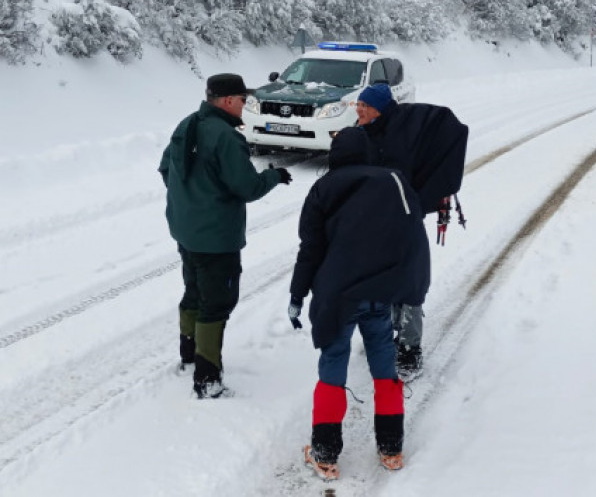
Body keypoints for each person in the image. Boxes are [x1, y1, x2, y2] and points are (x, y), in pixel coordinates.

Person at [288, 128, 430, 480]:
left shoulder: (324, 188)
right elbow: (411, 232)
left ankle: (324, 453)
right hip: (379, 290)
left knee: (334, 360)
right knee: (384, 361)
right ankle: (392, 448)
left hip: (338, 292)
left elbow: (311, 248)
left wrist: (297, 294)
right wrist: (408, 283)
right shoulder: (393, 181)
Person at [158, 73, 292, 399]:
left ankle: (189, 355)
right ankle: (207, 380)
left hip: (186, 230)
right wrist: (274, 176)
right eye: (243, 101)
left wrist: (190, 201)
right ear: (229, 100)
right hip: (216, 238)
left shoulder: (186, 125)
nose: (245, 107)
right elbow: (246, 187)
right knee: (217, 301)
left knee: (193, 290)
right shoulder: (226, 137)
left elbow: (166, 169)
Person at [354, 83, 468, 379]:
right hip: (375, 220)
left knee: (408, 281)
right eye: (358, 105)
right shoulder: (368, 132)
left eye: (364, 106)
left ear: (379, 109)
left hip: (403, 220)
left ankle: (409, 349)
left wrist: (418, 200)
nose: (358, 110)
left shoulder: (397, 137)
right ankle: (385, 335)